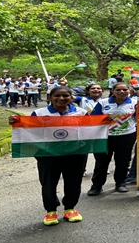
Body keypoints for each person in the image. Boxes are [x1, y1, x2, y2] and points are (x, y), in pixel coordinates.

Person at [8, 86, 87, 226]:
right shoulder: (39, 113)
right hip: (48, 154)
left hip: (75, 153)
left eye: (65, 95)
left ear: (71, 97)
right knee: (48, 181)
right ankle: (51, 211)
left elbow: (91, 130)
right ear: (49, 98)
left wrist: (106, 120)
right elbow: (30, 131)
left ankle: (70, 208)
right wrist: (16, 122)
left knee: (74, 181)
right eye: (57, 95)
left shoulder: (82, 112)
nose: (61, 98)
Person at [88, 82, 137, 194]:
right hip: (105, 137)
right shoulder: (103, 102)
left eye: (125, 90)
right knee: (102, 162)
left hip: (127, 136)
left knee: (123, 161)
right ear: (113, 91)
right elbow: (92, 119)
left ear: (129, 90)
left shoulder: (135, 103)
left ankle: (120, 183)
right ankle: (96, 186)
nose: (122, 92)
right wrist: (104, 118)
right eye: (118, 90)